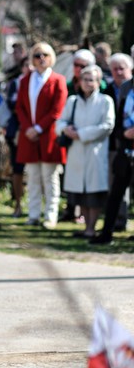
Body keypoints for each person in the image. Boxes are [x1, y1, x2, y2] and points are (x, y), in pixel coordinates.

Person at [57, 65, 115, 238]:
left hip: (95, 152)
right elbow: (59, 122)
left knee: (93, 192)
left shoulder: (105, 101)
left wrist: (81, 134)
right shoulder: (73, 101)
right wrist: (66, 130)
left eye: (92, 80)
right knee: (80, 193)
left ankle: (92, 226)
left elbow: (107, 126)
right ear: (79, 82)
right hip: (76, 153)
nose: (88, 83)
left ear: (98, 82)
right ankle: (86, 228)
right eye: (85, 79)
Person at [14, 42, 68, 230]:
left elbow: (57, 110)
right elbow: (19, 107)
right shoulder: (25, 80)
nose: (41, 59)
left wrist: (38, 128)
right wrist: (29, 128)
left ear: (51, 57)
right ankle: (34, 214)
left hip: (48, 136)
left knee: (50, 178)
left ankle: (51, 215)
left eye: (44, 55)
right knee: (33, 177)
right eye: (37, 55)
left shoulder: (58, 80)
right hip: (29, 136)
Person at [91, 54, 134, 245]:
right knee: (116, 192)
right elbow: (117, 118)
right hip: (125, 148)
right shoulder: (126, 88)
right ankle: (106, 232)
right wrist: (124, 134)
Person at [3, 57, 31, 218]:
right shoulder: (17, 83)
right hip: (18, 131)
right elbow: (13, 104)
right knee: (17, 168)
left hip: (36, 131)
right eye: (26, 65)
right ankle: (18, 204)